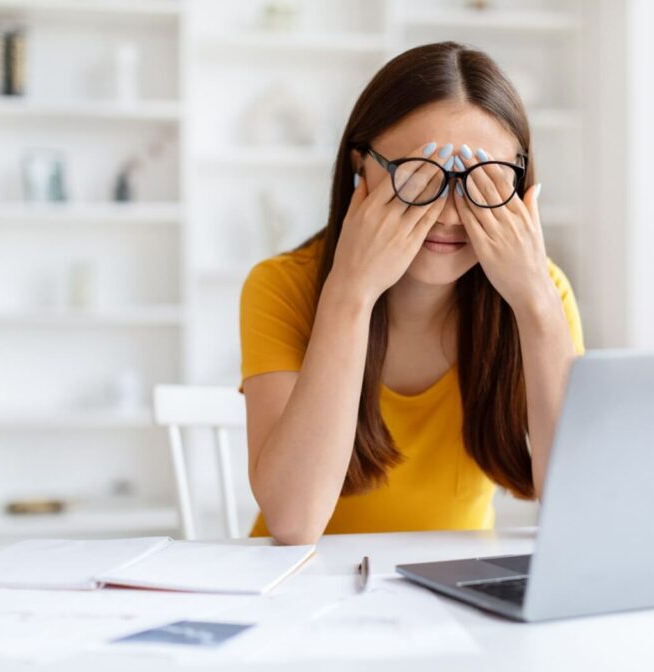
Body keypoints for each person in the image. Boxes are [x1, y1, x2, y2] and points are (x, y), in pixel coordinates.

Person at [239, 41, 584, 544]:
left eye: (482, 182)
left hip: (453, 592)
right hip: (299, 586)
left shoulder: (545, 293)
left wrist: (533, 303)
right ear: (361, 168)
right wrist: (350, 291)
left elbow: (579, 508)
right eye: (420, 177)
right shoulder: (281, 285)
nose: (448, 214)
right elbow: (294, 520)